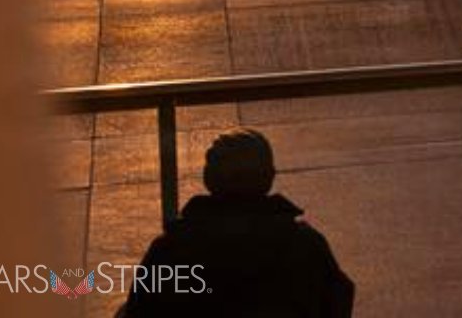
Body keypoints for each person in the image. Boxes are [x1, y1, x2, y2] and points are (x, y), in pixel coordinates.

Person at [118, 129, 354, 316]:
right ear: (269, 177)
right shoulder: (306, 245)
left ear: (210, 179)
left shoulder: (171, 249)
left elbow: (141, 309)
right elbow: (337, 301)